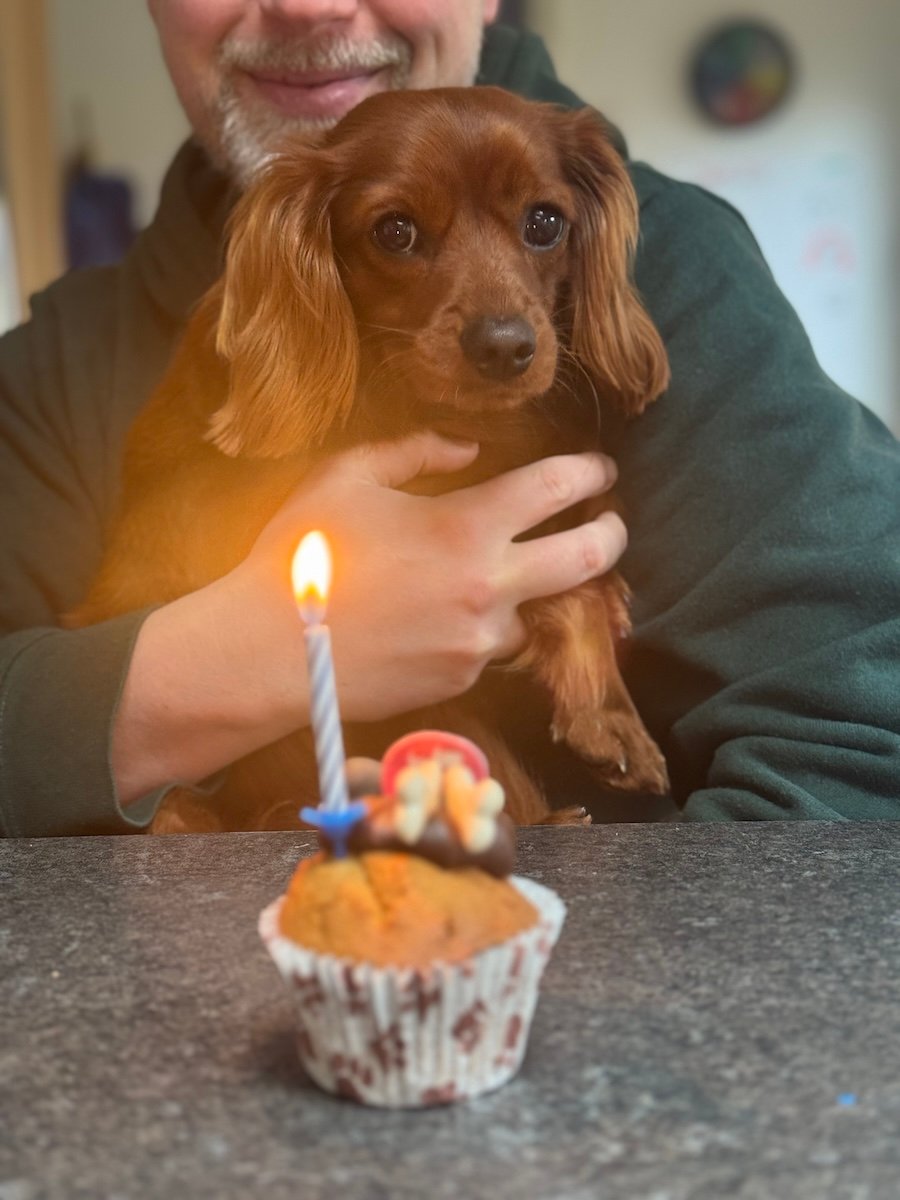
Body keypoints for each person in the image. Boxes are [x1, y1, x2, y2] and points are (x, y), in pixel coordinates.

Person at [0, 1, 897, 837]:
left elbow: (857, 740)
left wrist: (562, 976)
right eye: (394, 233)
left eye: (541, 225)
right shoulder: (51, 362)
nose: (310, 5)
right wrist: (230, 662)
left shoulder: (686, 269)